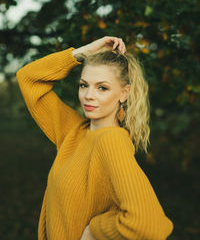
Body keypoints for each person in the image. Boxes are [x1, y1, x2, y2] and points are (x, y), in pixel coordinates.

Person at [16, 36, 173, 240]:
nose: (89, 95)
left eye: (102, 87)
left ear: (124, 93)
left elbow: (150, 225)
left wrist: (95, 230)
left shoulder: (111, 141)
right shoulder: (74, 132)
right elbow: (28, 78)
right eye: (84, 85)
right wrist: (82, 53)